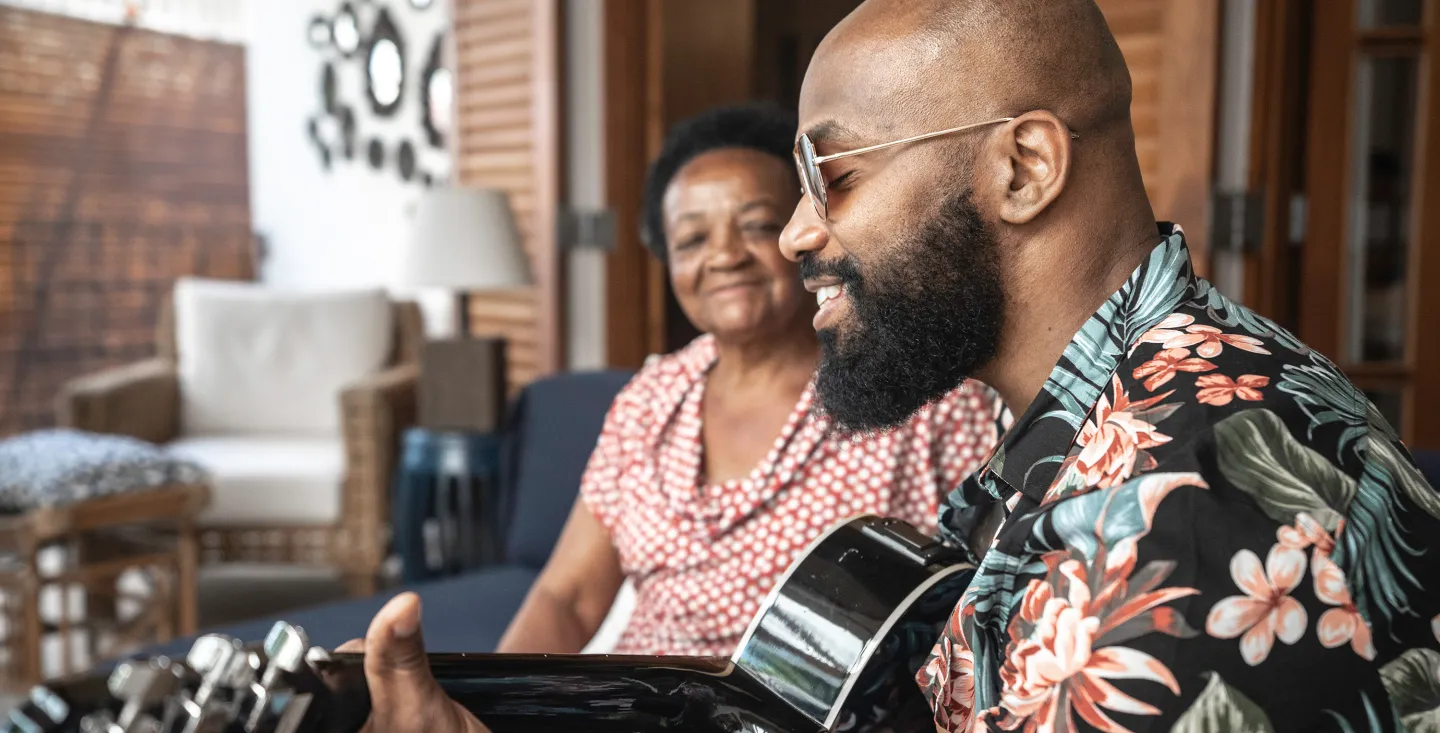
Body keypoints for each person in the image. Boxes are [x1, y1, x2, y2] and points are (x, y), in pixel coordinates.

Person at [775, 0, 1440, 730]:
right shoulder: (1124, 398)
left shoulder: (1182, 530)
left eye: (830, 173)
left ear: (1025, 169)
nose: (794, 232)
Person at [340, 104, 1002, 733]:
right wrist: (484, 708)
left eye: (753, 223)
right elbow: (568, 596)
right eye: (692, 238)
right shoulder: (648, 400)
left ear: (803, 229)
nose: (724, 255)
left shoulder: (912, 391)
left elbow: (988, 594)